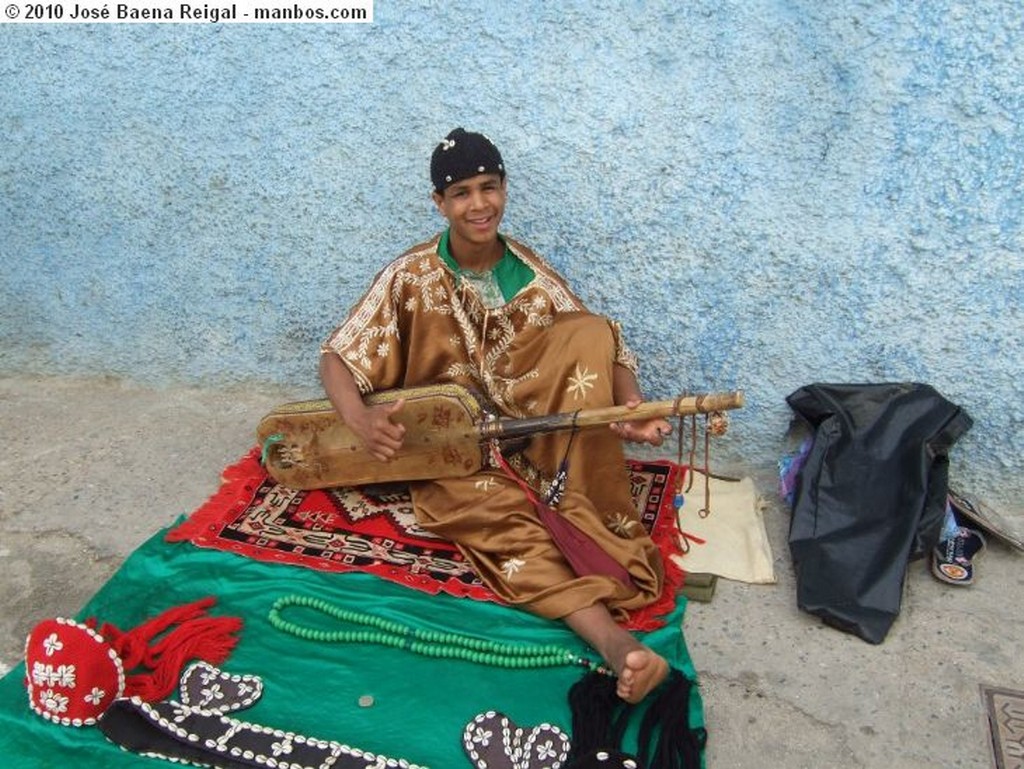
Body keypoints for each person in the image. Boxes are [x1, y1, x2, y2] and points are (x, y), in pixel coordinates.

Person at [319, 128, 673, 703]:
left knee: (585, 331)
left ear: (505, 189)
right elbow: (339, 354)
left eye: (489, 187)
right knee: (508, 525)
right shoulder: (409, 276)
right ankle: (617, 646)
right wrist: (358, 417)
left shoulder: (530, 274)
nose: (478, 204)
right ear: (439, 203)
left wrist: (627, 405)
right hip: (453, 451)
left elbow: (606, 346)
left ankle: (611, 611)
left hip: (529, 436)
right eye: (460, 192)